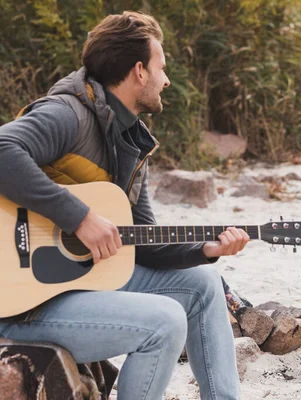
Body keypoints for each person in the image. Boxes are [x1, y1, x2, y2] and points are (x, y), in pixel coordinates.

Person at [0, 11, 248, 400]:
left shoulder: (131, 142)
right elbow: (3, 150)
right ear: (138, 72)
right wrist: (78, 217)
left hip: (81, 284)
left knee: (203, 284)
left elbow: (145, 243)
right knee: (164, 321)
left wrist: (205, 249)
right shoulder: (68, 114)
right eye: (161, 68)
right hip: (24, 302)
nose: (166, 80)